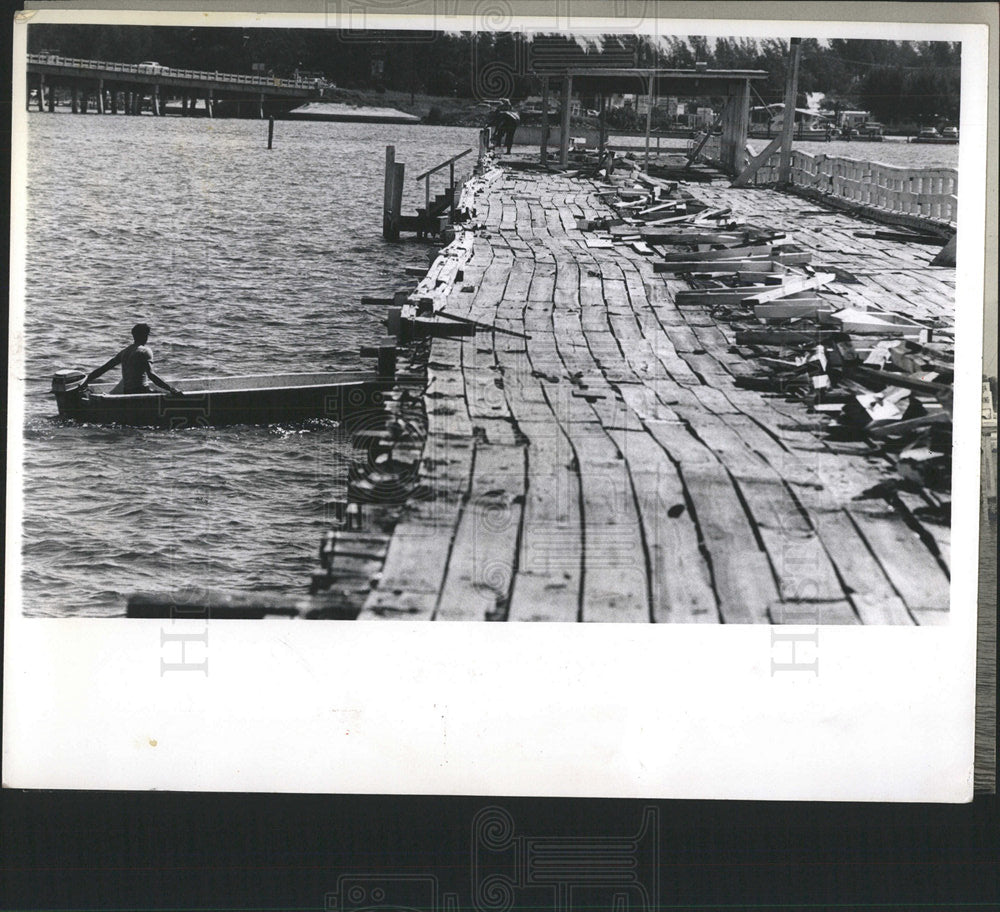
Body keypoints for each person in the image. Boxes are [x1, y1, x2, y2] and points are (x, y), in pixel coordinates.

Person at [86, 322, 183, 396]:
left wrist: (85, 381)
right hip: (142, 391)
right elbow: (151, 375)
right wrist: (171, 389)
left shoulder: (124, 352)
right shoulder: (145, 351)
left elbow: (104, 368)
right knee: (165, 393)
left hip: (127, 391)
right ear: (145, 336)